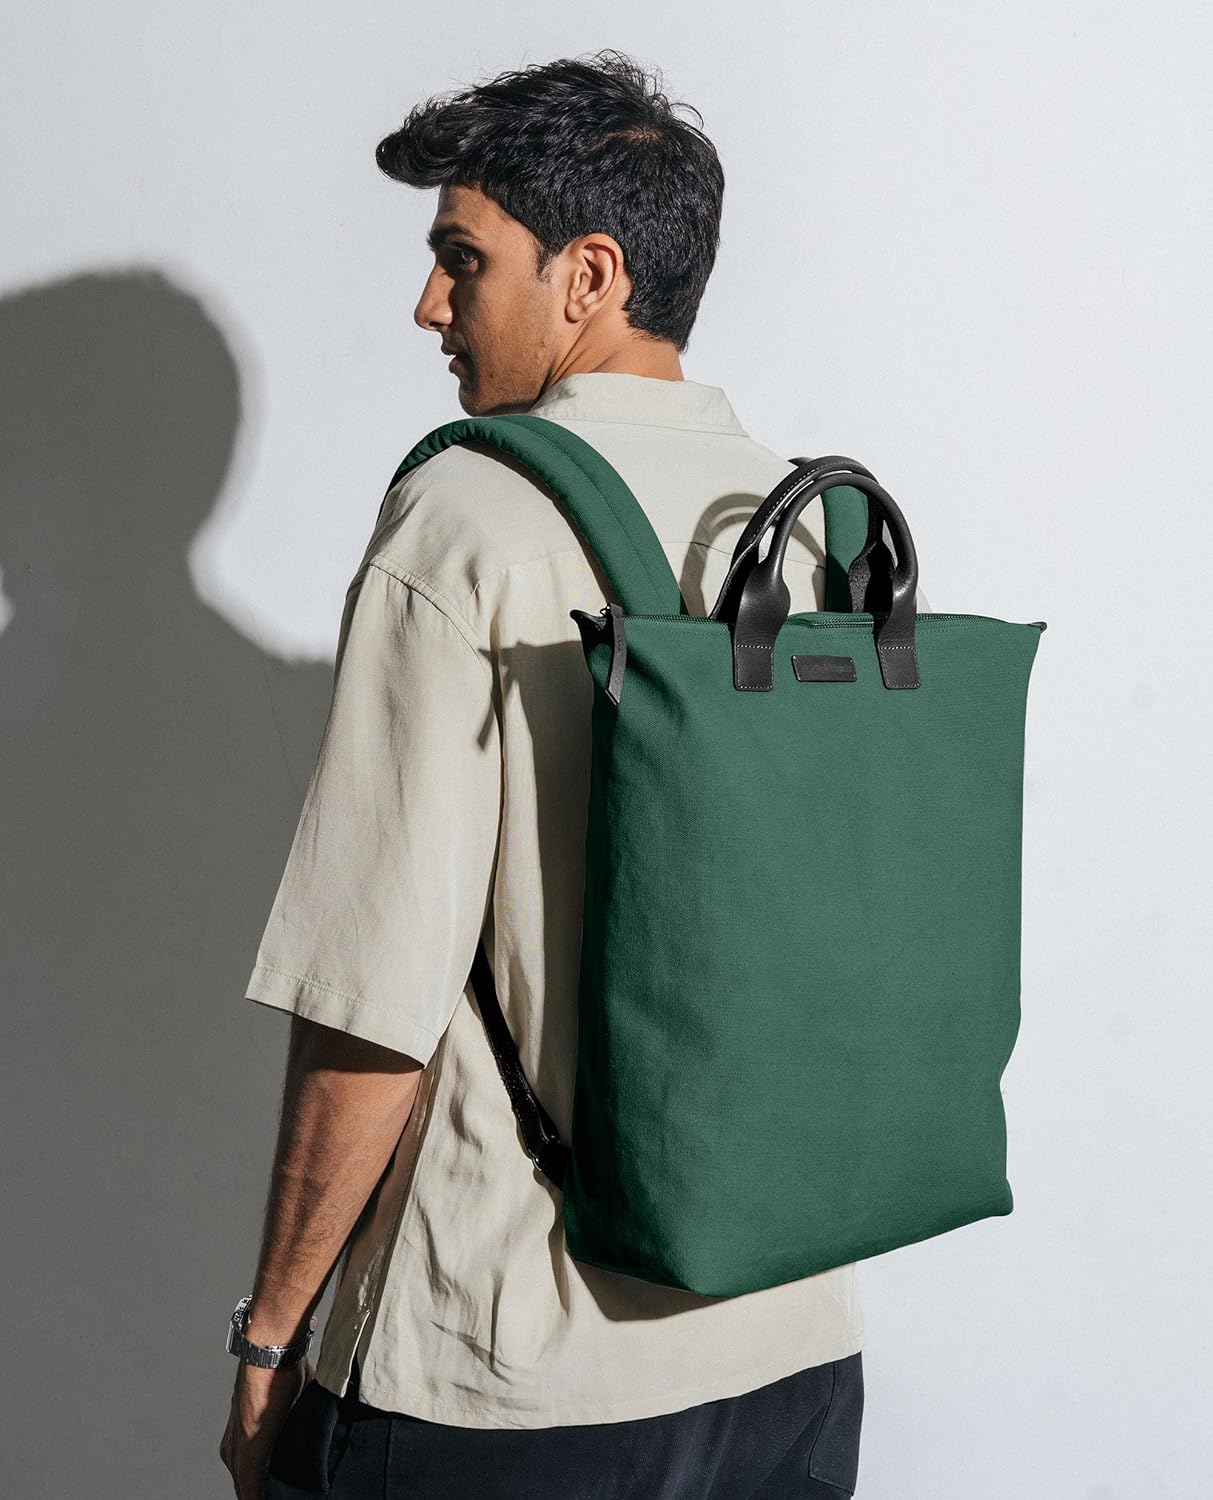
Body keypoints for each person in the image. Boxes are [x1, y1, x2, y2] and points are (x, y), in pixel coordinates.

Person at [220, 47, 924, 1500]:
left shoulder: (467, 516)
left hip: (511, 1377)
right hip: (793, 1353)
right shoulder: (812, 529)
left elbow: (371, 1007)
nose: (429, 305)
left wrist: (270, 1332)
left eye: (462, 259)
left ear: (588, 275)